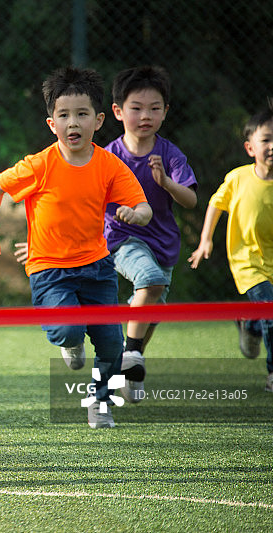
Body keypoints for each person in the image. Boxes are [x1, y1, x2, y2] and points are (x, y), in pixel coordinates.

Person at [0, 67, 151, 428]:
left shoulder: (109, 165)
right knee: (69, 330)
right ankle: (68, 340)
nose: (73, 123)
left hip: (98, 268)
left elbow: (143, 206)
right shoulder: (40, 165)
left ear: (98, 120)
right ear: (51, 123)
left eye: (82, 114)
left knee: (111, 345)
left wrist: (137, 214)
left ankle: (99, 401)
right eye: (64, 115)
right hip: (49, 270)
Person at [103, 66, 198, 403]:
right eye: (136, 108)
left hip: (163, 243)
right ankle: (132, 353)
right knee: (151, 281)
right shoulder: (108, 157)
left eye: (154, 108)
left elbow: (191, 200)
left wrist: (166, 183)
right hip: (121, 237)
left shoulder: (170, 155)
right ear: (118, 111)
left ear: (165, 112)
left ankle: (129, 361)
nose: (145, 116)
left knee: (152, 308)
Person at [189, 107, 273, 393]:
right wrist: (205, 240)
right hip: (248, 262)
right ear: (250, 148)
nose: (272, 146)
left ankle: (249, 324)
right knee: (270, 310)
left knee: (266, 313)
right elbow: (216, 204)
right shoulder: (238, 178)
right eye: (266, 140)